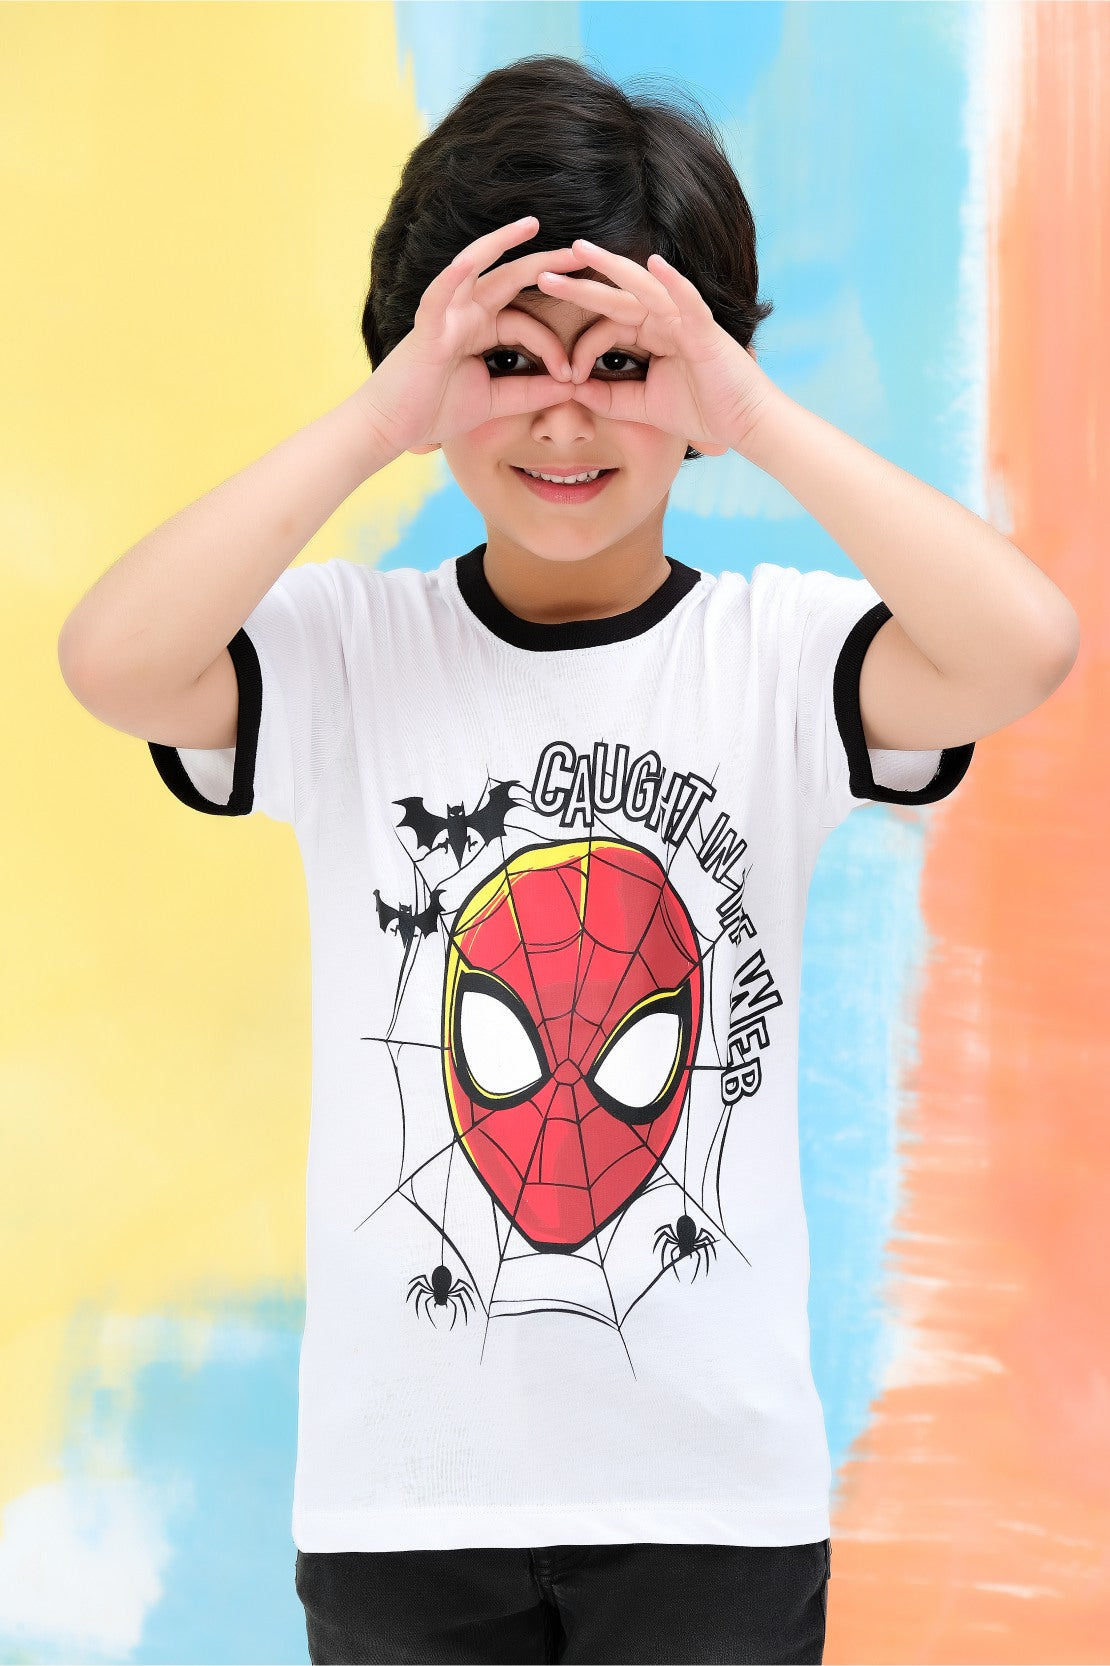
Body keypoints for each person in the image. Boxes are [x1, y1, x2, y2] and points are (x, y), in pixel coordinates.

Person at [56, 53, 1078, 1666]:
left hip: (713, 1504)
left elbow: (1022, 646)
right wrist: (380, 419)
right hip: (401, 1505)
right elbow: (112, 661)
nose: (562, 412)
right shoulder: (343, 652)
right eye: (506, 357)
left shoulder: (776, 656)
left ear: (701, 372)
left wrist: (750, 415)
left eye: (623, 361)